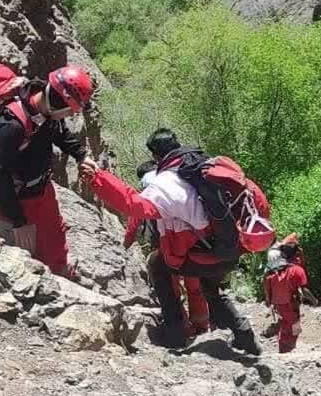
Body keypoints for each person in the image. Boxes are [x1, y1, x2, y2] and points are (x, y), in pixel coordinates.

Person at [81, 128, 261, 354]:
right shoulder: (205, 165)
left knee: (158, 265)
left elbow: (135, 206)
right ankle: (244, 334)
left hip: (204, 253)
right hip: (230, 246)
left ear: (156, 156)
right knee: (210, 286)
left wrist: (98, 177)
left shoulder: (166, 182)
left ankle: (175, 332)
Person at [0, 66, 94, 279]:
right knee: (25, 255)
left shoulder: (47, 110)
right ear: (59, 101)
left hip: (40, 188)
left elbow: (60, 133)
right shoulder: (11, 125)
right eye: (70, 109)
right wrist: (18, 221)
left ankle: (61, 270)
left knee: (54, 235)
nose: (71, 114)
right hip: (13, 198)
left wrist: (81, 155)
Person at [125, 161, 211, 337]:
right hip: (192, 243)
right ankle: (202, 324)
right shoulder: (178, 184)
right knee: (194, 285)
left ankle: (182, 325)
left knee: (172, 287)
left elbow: (133, 223)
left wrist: (124, 246)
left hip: (166, 247)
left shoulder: (146, 192)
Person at [264, 239, 318, 353]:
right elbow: (304, 290)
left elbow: (266, 282)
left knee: (287, 322)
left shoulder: (274, 268)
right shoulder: (297, 270)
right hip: (289, 303)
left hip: (277, 302)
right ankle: (286, 350)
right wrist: (314, 301)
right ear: (296, 254)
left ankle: (288, 344)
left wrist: (268, 299)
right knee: (291, 325)